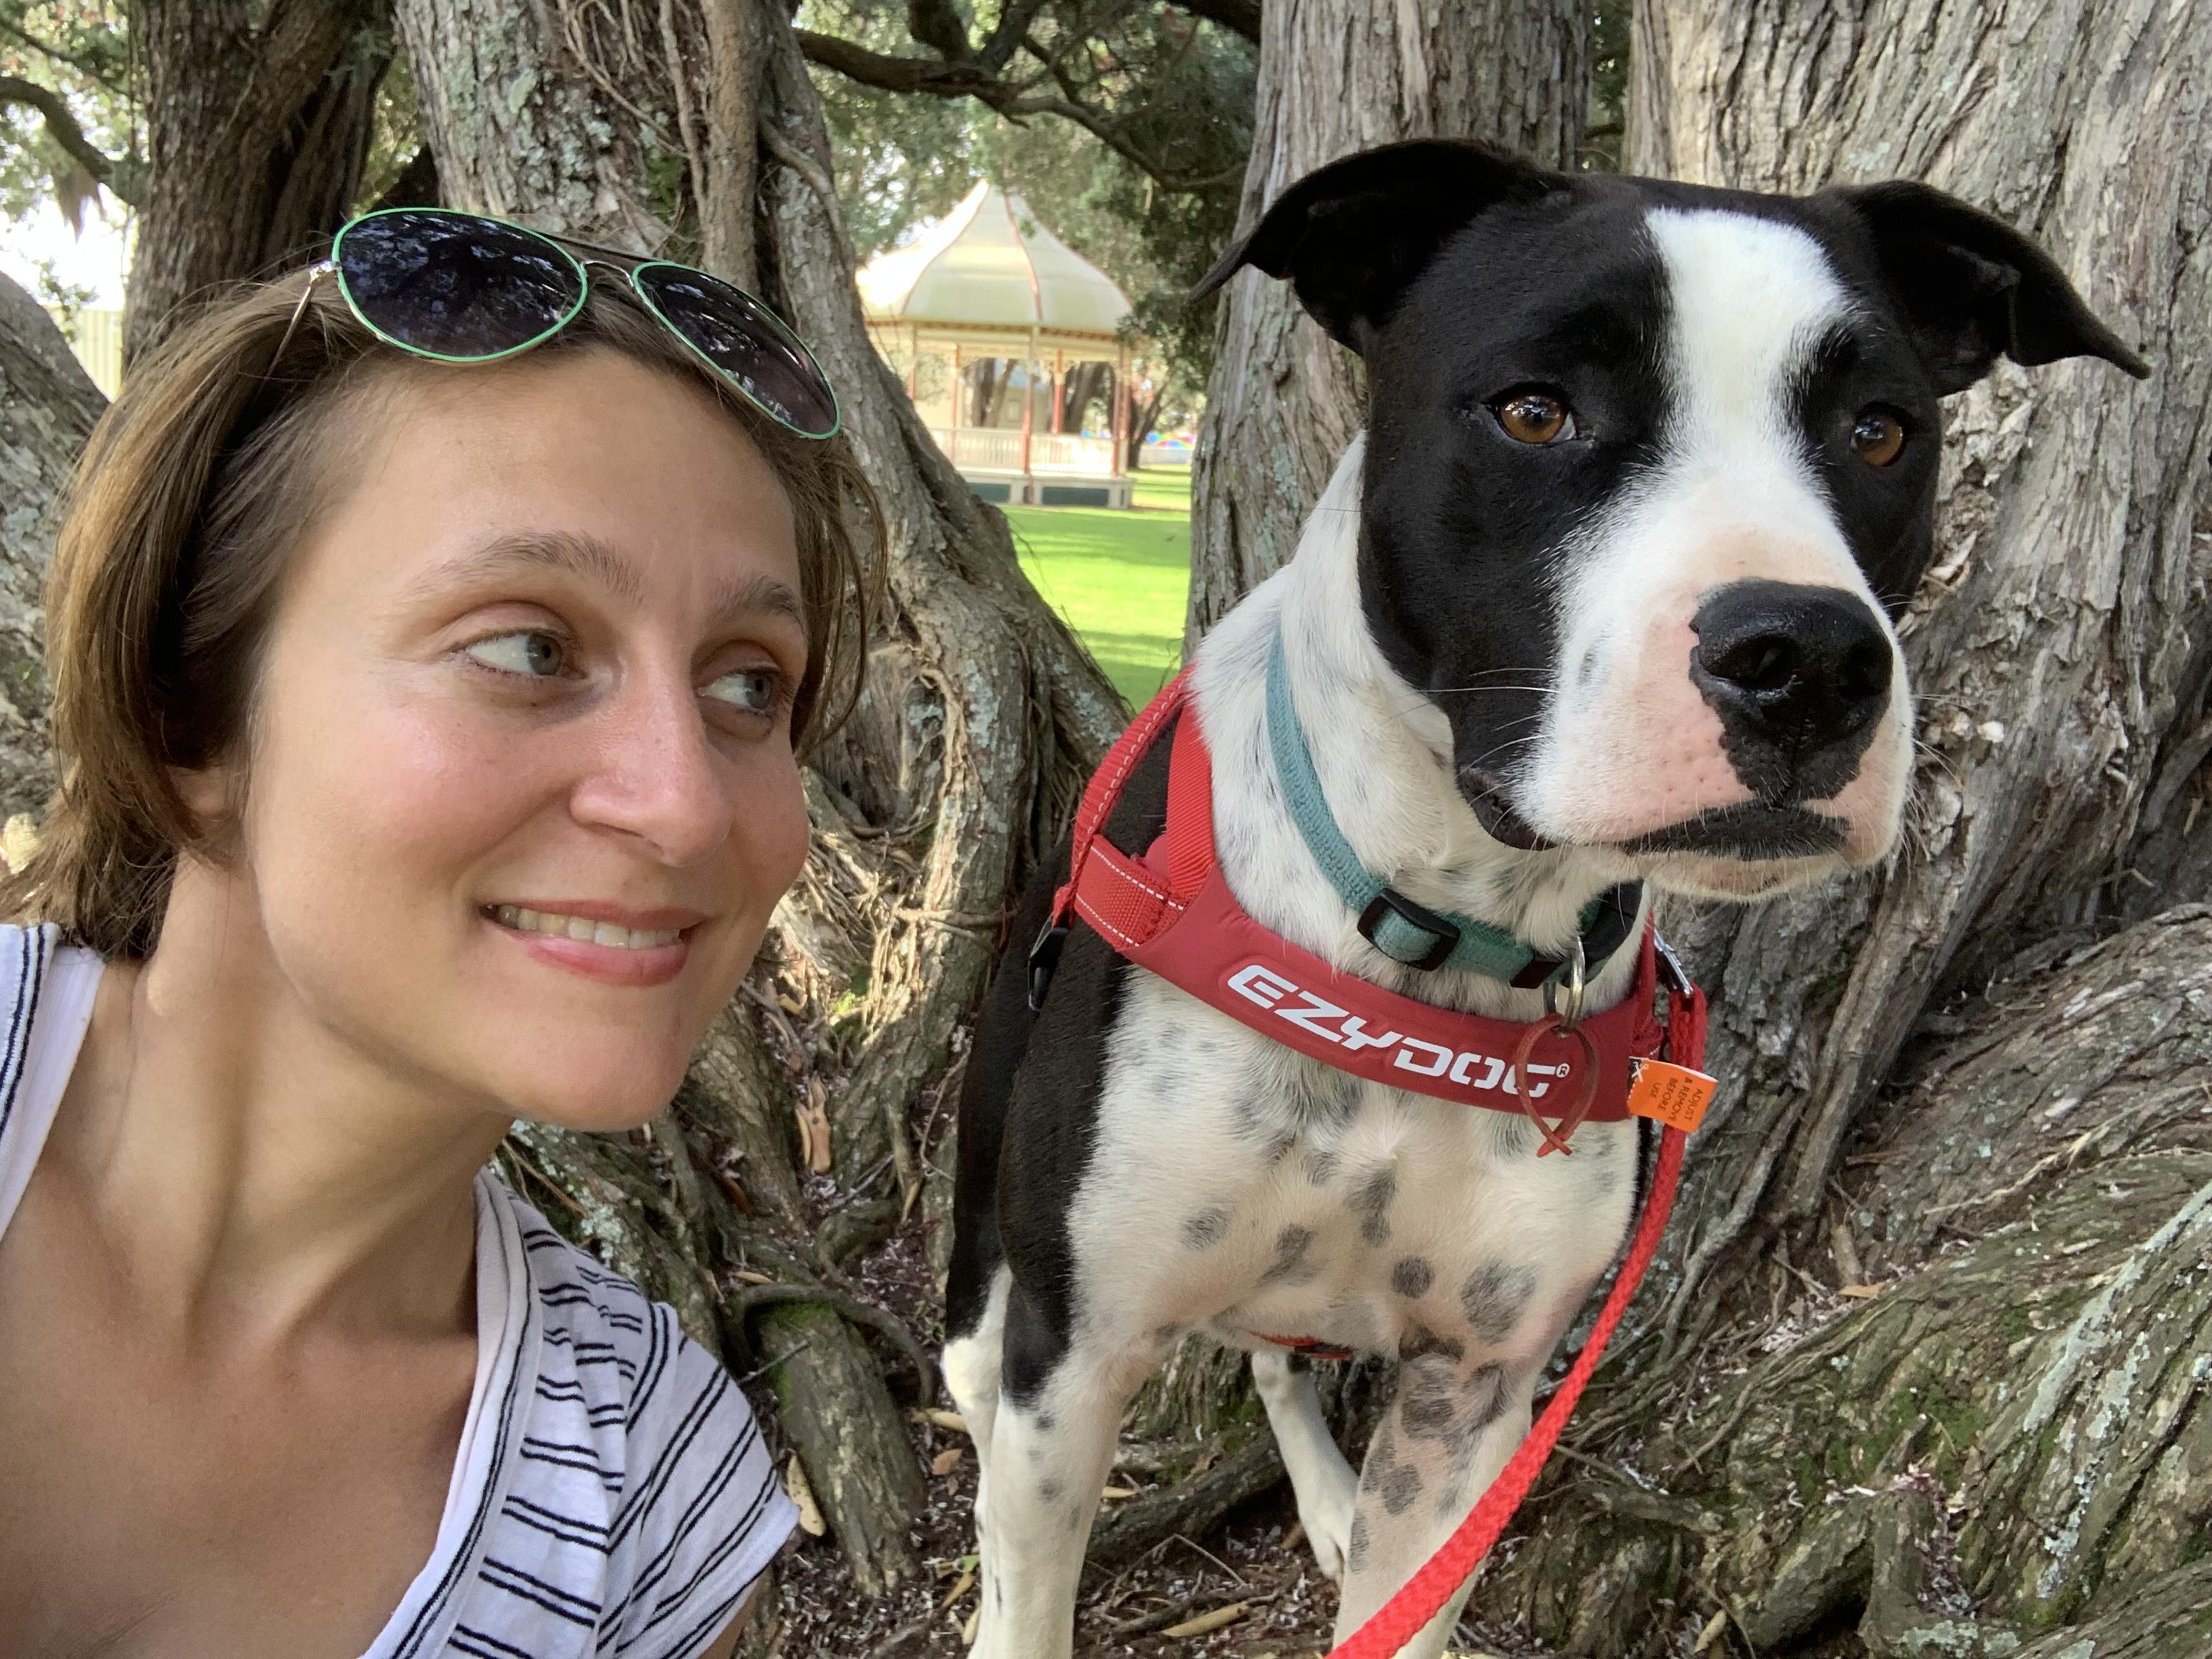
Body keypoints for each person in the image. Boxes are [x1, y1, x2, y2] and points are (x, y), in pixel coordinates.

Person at [0, 208, 875, 1658]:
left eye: (744, 686)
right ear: (188, 722)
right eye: (530, 648)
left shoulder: (647, 1510)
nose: (681, 804)